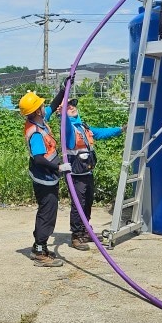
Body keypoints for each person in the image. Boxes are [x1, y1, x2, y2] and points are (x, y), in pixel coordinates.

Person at [49, 82, 122, 250]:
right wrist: (63, 115)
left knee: (88, 202)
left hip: (87, 172)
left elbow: (101, 133)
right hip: (75, 174)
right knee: (78, 204)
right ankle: (76, 236)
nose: (72, 107)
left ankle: (85, 230)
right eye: (68, 107)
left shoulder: (82, 126)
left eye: (73, 105)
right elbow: (65, 124)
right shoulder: (67, 128)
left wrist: (121, 129)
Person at [18, 88, 70, 268]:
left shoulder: (40, 120)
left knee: (48, 211)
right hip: (44, 178)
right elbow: (39, 158)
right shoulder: (35, 133)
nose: (44, 106)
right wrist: (58, 167)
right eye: (41, 105)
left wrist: (64, 89)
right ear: (35, 111)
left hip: (49, 176)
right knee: (47, 214)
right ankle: (39, 251)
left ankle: (40, 246)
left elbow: (54, 105)